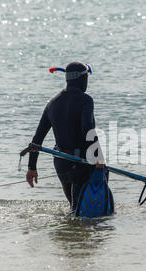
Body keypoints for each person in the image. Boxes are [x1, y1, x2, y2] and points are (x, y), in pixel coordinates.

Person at [26, 62, 104, 210]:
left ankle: (71, 231)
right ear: (82, 79)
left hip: (61, 163)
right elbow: (88, 130)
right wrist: (99, 158)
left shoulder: (52, 103)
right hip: (81, 162)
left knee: (74, 208)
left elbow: (37, 138)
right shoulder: (85, 100)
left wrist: (32, 167)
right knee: (83, 210)